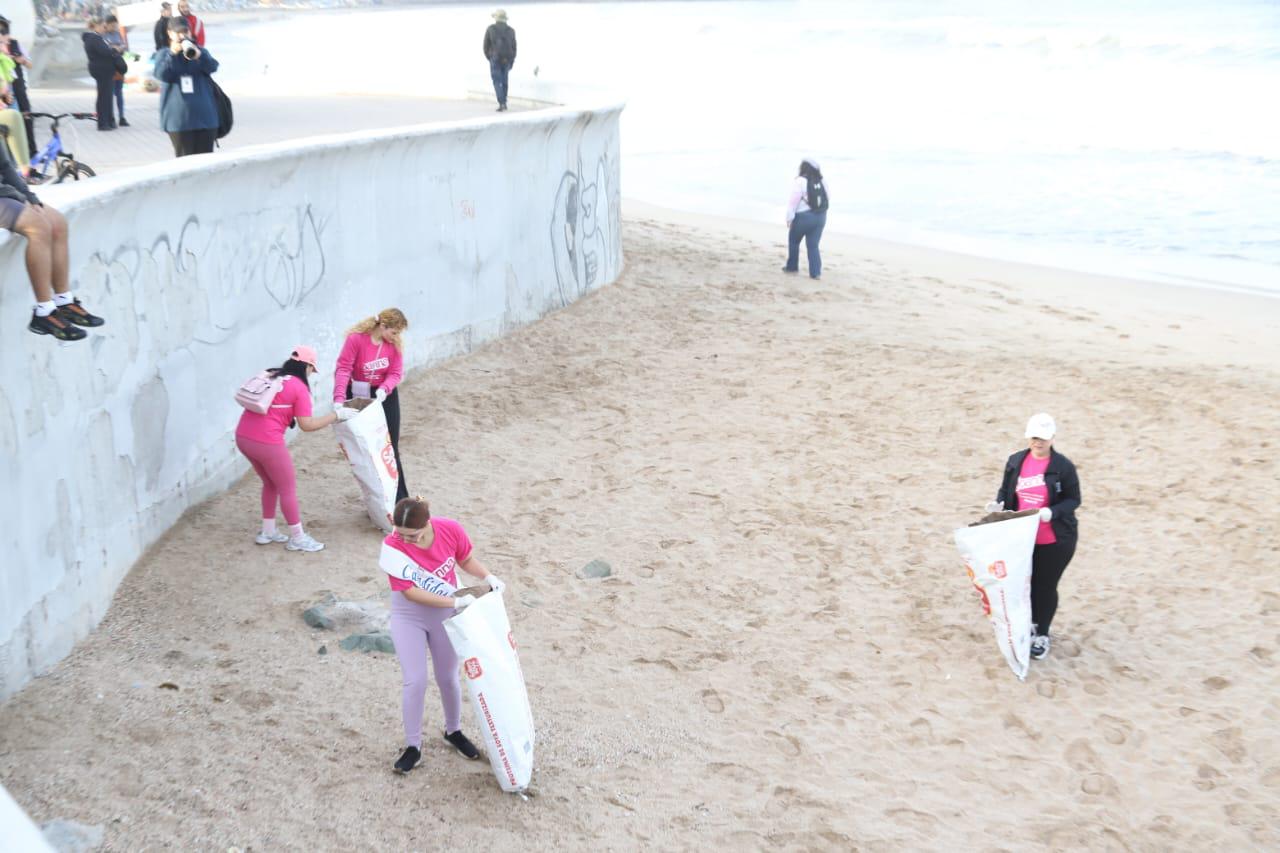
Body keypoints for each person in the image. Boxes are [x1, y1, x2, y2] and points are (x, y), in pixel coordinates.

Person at [380, 495, 505, 773]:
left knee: (447, 677)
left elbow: (465, 559)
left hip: (443, 618)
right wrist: (455, 602)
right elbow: (410, 593)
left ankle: (453, 731)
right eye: (401, 534)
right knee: (415, 680)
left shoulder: (450, 529)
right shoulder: (392, 546)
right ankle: (413, 746)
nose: (406, 541)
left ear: (427, 523)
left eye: (413, 535)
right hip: (409, 616)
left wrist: (488, 577)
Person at [234, 346, 348, 553]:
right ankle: (297, 537)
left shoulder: (271, 375)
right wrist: (336, 415)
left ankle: (268, 531)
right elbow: (307, 425)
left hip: (243, 437)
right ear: (307, 365)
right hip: (267, 442)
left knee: (270, 483)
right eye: (312, 369)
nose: (312, 374)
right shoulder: (299, 388)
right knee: (287, 487)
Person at [989, 413, 1081, 660]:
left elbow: (1074, 499)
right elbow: (1006, 489)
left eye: (1043, 437)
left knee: (1045, 586)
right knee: (1023, 585)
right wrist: (998, 505)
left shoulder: (1063, 467)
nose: (1038, 442)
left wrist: (1052, 512)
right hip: (1021, 537)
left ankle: (1042, 633)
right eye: (1034, 437)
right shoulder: (1016, 461)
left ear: (1052, 438)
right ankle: (1027, 625)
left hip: (1054, 539)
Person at [1, 152, 106, 340]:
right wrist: (16, 196)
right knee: (38, 226)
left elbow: (5, 167)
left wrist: (28, 197)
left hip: (5, 193)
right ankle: (44, 312)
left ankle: (64, 302)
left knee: (57, 223)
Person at [333, 308, 411, 502]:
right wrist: (338, 398)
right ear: (383, 326)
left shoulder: (394, 345)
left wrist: (385, 389)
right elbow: (343, 368)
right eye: (394, 332)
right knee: (365, 448)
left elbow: (395, 373)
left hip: (384, 396)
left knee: (390, 447)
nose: (396, 337)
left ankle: (399, 499)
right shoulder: (356, 339)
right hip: (359, 393)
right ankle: (377, 499)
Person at [155, 16, 218, 157]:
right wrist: (172, 54)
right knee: (185, 163)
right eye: (179, 33)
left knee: (206, 163)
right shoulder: (164, 54)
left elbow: (213, 67)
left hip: (205, 119)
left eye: (186, 31)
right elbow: (161, 74)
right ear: (170, 34)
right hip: (179, 122)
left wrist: (199, 55)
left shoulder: (200, 52)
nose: (183, 36)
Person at [783, 158, 829, 280]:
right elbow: (828, 197)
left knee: (794, 240)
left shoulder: (800, 181)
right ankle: (815, 273)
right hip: (820, 217)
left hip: (803, 218)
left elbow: (793, 202)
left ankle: (792, 266)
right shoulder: (822, 181)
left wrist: (789, 218)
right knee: (813, 245)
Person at [0, 15, 36, 159]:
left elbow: (30, 64)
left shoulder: (15, 44)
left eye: (5, 30)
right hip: (6, 90)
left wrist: (22, 60)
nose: (4, 34)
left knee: (26, 117)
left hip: (17, 88)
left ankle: (31, 151)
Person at [82, 18, 123, 131]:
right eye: (103, 26)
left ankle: (109, 120)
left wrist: (112, 49)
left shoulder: (96, 38)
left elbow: (105, 51)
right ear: (96, 26)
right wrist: (115, 49)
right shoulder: (94, 38)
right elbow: (105, 52)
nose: (104, 29)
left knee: (107, 95)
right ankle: (103, 122)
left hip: (103, 69)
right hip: (101, 70)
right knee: (104, 96)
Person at [482, 8, 516, 112]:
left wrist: (490, 56)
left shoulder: (491, 29)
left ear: (496, 18)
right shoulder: (511, 30)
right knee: (505, 80)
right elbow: (514, 47)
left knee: (497, 81)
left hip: (495, 58)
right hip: (507, 58)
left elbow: (485, 45)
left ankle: (502, 103)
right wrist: (512, 60)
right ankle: (504, 101)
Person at [102, 14, 130, 126]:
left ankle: (122, 117)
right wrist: (115, 47)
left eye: (115, 25)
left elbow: (124, 47)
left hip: (119, 66)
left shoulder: (118, 34)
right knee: (109, 94)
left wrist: (117, 47)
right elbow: (105, 49)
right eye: (112, 25)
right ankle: (111, 117)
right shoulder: (103, 35)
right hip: (108, 67)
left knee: (119, 93)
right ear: (106, 25)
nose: (114, 27)